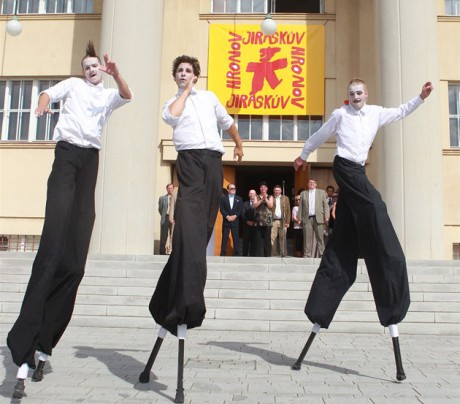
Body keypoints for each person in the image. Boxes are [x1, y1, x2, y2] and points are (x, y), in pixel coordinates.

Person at [7, 41, 133, 399]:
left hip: (89, 162)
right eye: (87, 65)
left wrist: (117, 73)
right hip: (65, 158)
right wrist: (43, 104)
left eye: (96, 65)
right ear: (82, 70)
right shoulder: (73, 86)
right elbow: (48, 92)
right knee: (51, 252)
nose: (92, 69)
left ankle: (44, 346)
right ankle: (22, 345)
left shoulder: (108, 93)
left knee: (74, 263)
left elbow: (127, 95)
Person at [291, 79, 434, 378]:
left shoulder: (376, 113)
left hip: (358, 169)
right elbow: (320, 135)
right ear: (348, 97)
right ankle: (390, 258)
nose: (355, 97)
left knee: (344, 240)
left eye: (359, 93)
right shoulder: (340, 115)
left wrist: (420, 98)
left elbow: (401, 111)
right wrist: (304, 155)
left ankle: (320, 307)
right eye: (351, 94)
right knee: (375, 207)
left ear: (366, 95)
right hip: (344, 168)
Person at [145, 55, 243, 402]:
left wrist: (239, 142)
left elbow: (228, 122)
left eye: (188, 72)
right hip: (188, 159)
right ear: (176, 77)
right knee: (187, 223)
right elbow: (171, 118)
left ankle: (169, 296)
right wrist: (183, 92)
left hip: (214, 161)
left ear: (197, 75)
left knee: (202, 229)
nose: (184, 75)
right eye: (179, 72)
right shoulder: (172, 102)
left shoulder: (211, 97)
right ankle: (187, 299)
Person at [298, 178, 329, 257]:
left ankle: (322, 254)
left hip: (318, 218)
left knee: (320, 238)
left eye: (313, 182)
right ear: (308, 184)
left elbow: (325, 206)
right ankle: (307, 254)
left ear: (316, 184)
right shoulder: (303, 193)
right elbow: (300, 207)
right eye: (310, 182)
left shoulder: (321, 192)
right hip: (307, 218)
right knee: (307, 238)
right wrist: (299, 218)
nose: (311, 184)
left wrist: (326, 217)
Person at [220, 183, 243, 256]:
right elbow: (222, 209)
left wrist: (235, 216)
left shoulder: (239, 199)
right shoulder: (223, 199)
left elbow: (240, 209)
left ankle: (237, 254)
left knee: (236, 238)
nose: (233, 190)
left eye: (234, 188)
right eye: (232, 188)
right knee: (224, 238)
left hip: (235, 221)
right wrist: (227, 216)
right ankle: (223, 253)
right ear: (228, 190)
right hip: (226, 221)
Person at [254, 181, 274, 257]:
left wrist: (265, 198)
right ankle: (258, 255)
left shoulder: (270, 196)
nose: (263, 188)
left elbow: (271, 206)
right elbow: (255, 205)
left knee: (267, 239)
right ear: (260, 189)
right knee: (258, 238)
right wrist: (262, 199)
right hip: (259, 218)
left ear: (267, 188)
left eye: (264, 187)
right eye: (262, 187)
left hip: (268, 218)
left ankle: (267, 255)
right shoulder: (257, 196)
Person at [270, 184, 291, 257]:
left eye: (278, 190)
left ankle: (283, 254)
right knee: (273, 238)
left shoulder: (286, 198)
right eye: (275, 190)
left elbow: (288, 211)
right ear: (273, 191)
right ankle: (274, 254)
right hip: (274, 220)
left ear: (281, 191)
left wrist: (288, 222)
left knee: (283, 238)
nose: (277, 192)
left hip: (283, 220)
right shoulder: (271, 197)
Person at [158, 183, 174, 255]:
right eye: (169, 188)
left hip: (173, 218)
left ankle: (173, 251)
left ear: (173, 189)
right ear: (167, 189)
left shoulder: (176, 197)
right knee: (164, 235)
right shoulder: (162, 198)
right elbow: (160, 209)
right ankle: (162, 252)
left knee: (173, 235)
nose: (170, 189)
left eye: (171, 188)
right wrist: (164, 215)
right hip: (165, 217)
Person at [242, 189, 258, 256]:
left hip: (255, 226)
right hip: (247, 225)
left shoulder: (258, 204)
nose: (251, 195)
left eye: (253, 193)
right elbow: (242, 214)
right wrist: (247, 221)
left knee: (254, 242)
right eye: (250, 193)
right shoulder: (245, 204)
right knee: (246, 241)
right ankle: (244, 255)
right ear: (248, 195)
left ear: (255, 195)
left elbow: (259, 214)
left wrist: (255, 222)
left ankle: (252, 255)